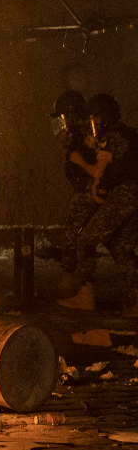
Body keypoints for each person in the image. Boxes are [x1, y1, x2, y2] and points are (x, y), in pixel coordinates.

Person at [57, 93, 138, 313]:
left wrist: (80, 160)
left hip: (125, 195)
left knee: (85, 240)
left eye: (96, 119)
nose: (93, 125)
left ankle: (85, 294)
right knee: (120, 246)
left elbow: (98, 173)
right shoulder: (126, 134)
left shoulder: (112, 138)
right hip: (131, 196)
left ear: (105, 118)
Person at [40, 91, 98, 299]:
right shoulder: (81, 134)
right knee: (81, 237)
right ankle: (80, 284)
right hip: (90, 192)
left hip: (89, 192)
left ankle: (79, 286)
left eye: (63, 118)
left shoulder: (86, 134)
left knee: (73, 236)